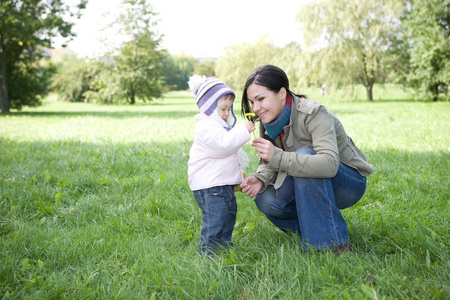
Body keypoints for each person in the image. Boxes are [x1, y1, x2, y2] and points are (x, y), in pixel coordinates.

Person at [239, 65, 373, 255]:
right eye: (252, 102)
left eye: (261, 99)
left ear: (281, 93)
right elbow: (270, 161)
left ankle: (335, 245)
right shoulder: (268, 121)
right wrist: (260, 178)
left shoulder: (314, 112)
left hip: (348, 182)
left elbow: (328, 165)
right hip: (309, 181)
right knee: (266, 200)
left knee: (305, 156)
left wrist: (277, 156)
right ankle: (317, 230)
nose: (256, 108)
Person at [188, 75, 256, 256]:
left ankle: (224, 245)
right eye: (222, 109)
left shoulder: (219, 126)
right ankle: (208, 250)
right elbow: (224, 146)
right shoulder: (206, 127)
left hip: (221, 184)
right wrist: (243, 130)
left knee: (228, 214)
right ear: (209, 109)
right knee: (216, 217)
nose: (226, 113)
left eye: (229, 109)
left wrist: (236, 173)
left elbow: (227, 155)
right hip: (209, 186)